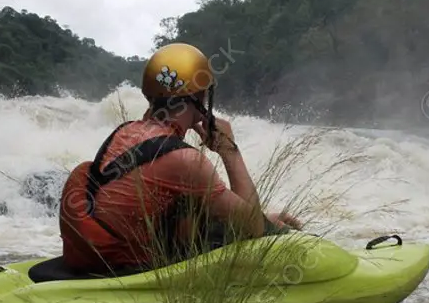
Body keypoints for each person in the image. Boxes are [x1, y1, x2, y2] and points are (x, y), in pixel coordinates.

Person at [57, 42, 302, 276]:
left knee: (192, 203)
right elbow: (254, 229)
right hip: (124, 266)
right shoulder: (184, 160)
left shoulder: (124, 131)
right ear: (200, 97)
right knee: (267, 230)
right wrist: (230, 152)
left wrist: (261, 217)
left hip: (101, 253)